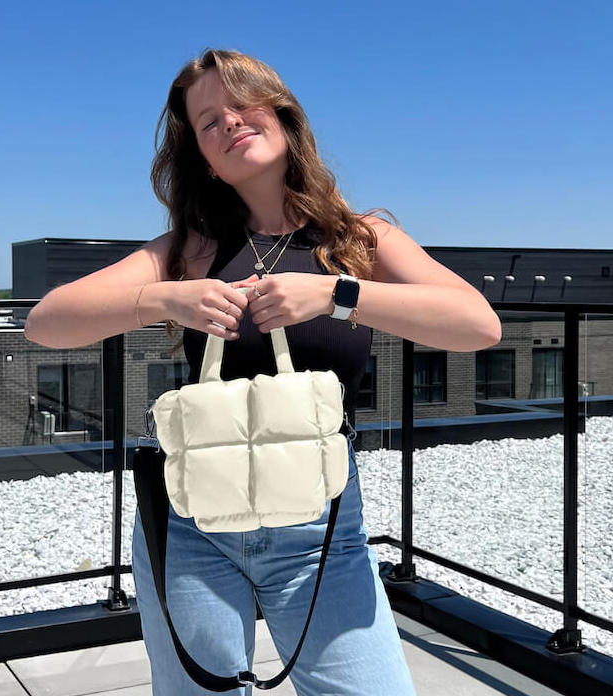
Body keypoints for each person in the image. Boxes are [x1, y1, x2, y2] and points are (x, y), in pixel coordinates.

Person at [25, 48, 501, 695]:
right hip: (195, 524)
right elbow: (46, 322)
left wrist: (335, 293)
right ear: (204, 157)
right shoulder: (191, 249)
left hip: (322, 529)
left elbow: (478, 325)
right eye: (208, 121)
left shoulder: (358, 239)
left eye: (242, 103)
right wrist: (164, 298)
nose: (229, 121)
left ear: (282, 114)